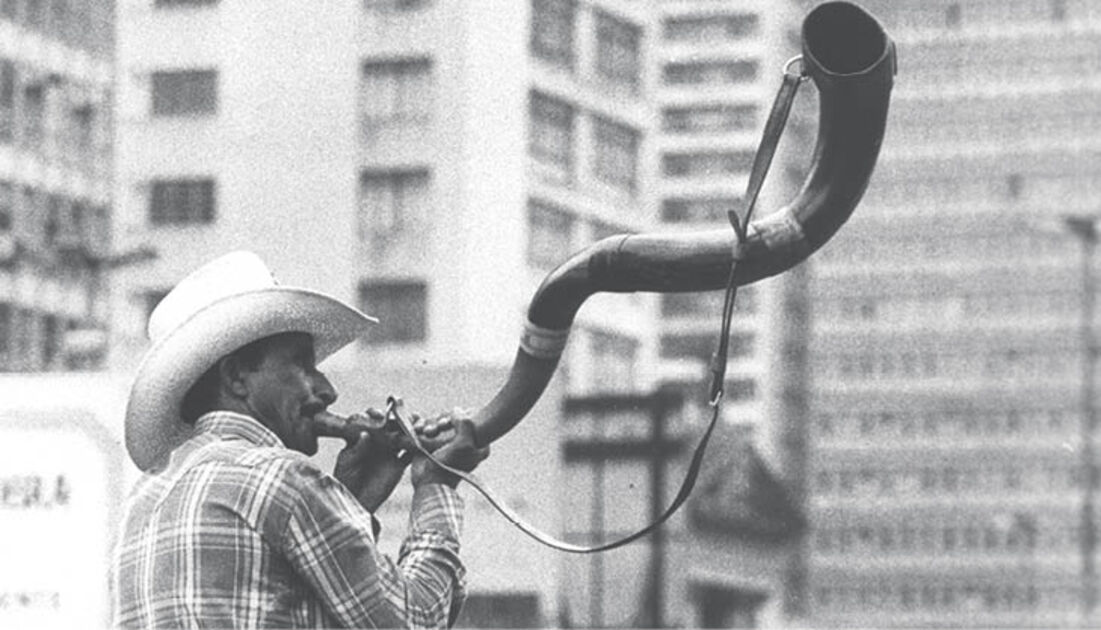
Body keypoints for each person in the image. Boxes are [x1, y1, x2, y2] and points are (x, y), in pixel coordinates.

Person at [111, 251, 489, 629]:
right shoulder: (281, 478)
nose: (326, 391)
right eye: (301, 365)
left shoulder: (142, 502)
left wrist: (352, 497)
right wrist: (437, 481)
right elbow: (414, 620)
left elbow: (271, 588)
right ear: (238, 376)